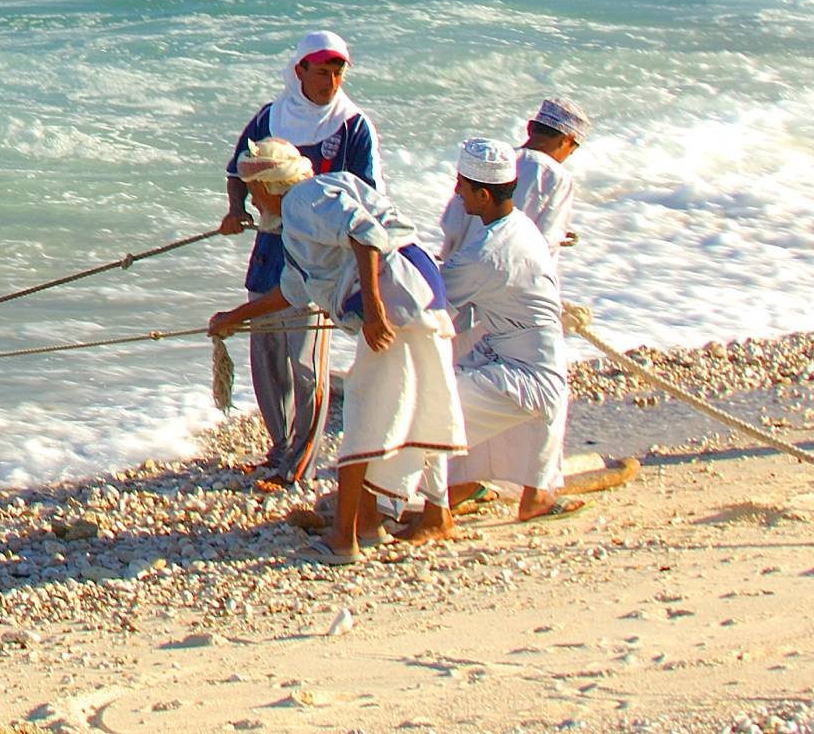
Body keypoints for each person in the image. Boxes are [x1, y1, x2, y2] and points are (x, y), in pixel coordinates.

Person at [208, 139, 464, 561]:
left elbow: (364, 233)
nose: (251, 199)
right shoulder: (297, 221)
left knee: (366, 411)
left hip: (395, 302)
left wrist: (376, 312)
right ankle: (421, 516)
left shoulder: (304, 199)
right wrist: (234, 317)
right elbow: (293, 292)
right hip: (420, 296)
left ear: (270, 185)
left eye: (252, 190)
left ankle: (345, 539)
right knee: (424, 404)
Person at [218, 31, 378, 494]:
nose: (329, 80)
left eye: (337, 71)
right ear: (299, 71)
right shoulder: (272, 116)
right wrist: (236, 210)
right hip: (270, 244)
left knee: (306, 359)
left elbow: (365, 195)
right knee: (266, 352)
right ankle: (279, 449)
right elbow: (238, 169)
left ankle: (300, 465)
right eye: (321, 70)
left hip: (320, 252)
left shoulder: (352, 125)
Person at [438, 137, 574, 522]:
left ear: (482, 194)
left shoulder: (487, 253)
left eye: (462, 186)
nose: (457, 193)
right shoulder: (519, 226)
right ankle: (527, 495)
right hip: (527, 356)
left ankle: (412, 503)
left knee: (429, 409)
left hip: (527, 373)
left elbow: (428, 301)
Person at [516, 97, 590, 251]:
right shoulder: (555, 176)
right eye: (572, 151)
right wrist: (559, 236)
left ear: (529, 128)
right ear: (567, 140)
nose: (567, 156)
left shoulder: (493, 159)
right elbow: (545, 239)